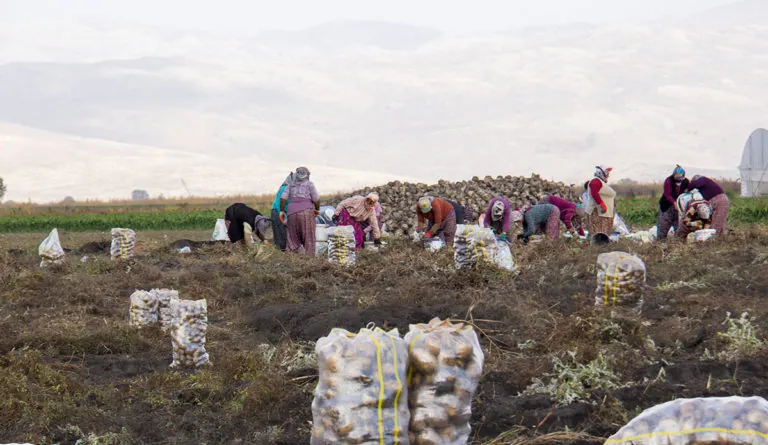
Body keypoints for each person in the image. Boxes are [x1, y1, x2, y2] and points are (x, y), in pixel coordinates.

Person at [280, 166, 320, 255]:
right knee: (308, 236)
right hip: (307, 212)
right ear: (307, 175)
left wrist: (282, 211)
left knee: (292, 236)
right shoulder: (310, 184)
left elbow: (283, 198)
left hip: (292, 213)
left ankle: (292, 257)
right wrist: (317, 210)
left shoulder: (290, 184)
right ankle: (309, 259)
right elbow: (316, 199)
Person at [657, 165, 689, 241]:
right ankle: (660, 243)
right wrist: (674, 203)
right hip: (667, 206)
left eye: (680, 176)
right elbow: (667, 195)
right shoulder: (668, 181)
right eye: (677, 176)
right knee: (663, 226)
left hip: (679, 207)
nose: (678, 178)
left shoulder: (686, 182)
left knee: (679, 226)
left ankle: (679, 243)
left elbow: (687, 192)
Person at [586, 164, 617, 238]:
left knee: (604, 235)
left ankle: (602, 247)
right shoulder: (595, 181)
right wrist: (601, 203)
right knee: (598, 234)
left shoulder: (601, 182)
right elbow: (594, 192)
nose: (608, 175)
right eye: (607, 173)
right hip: (598, 212)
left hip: (604, 214)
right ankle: (597, 247)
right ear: (602, 173)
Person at [270, 172, 293, 251]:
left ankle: (283, 252)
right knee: (280, 234)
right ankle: (280, 253)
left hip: (282, 212)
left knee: (284, 234)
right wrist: (285, 218)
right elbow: (281, 205)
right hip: (277, 212)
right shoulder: (284, 188)